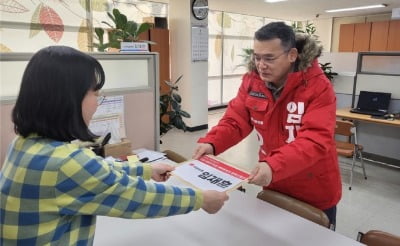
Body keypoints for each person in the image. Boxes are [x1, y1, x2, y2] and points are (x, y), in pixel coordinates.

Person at [0, 46, 229, 245]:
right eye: (95, 93)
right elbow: (138, 197)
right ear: (68, 99)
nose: (97, 102)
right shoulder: (65, 163)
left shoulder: (24, 145)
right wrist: (201, 199)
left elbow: (95, 174)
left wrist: (145, 170)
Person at [193, 22, 341, 227]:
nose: (261, 65)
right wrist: (212, 143)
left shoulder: (318, 87)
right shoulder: (253, 81)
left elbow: (315, 140)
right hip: (274, 182)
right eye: (257, 57)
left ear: (292, 55)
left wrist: (273, 165)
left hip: (313, 187)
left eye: (269, 58)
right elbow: (236, 121)